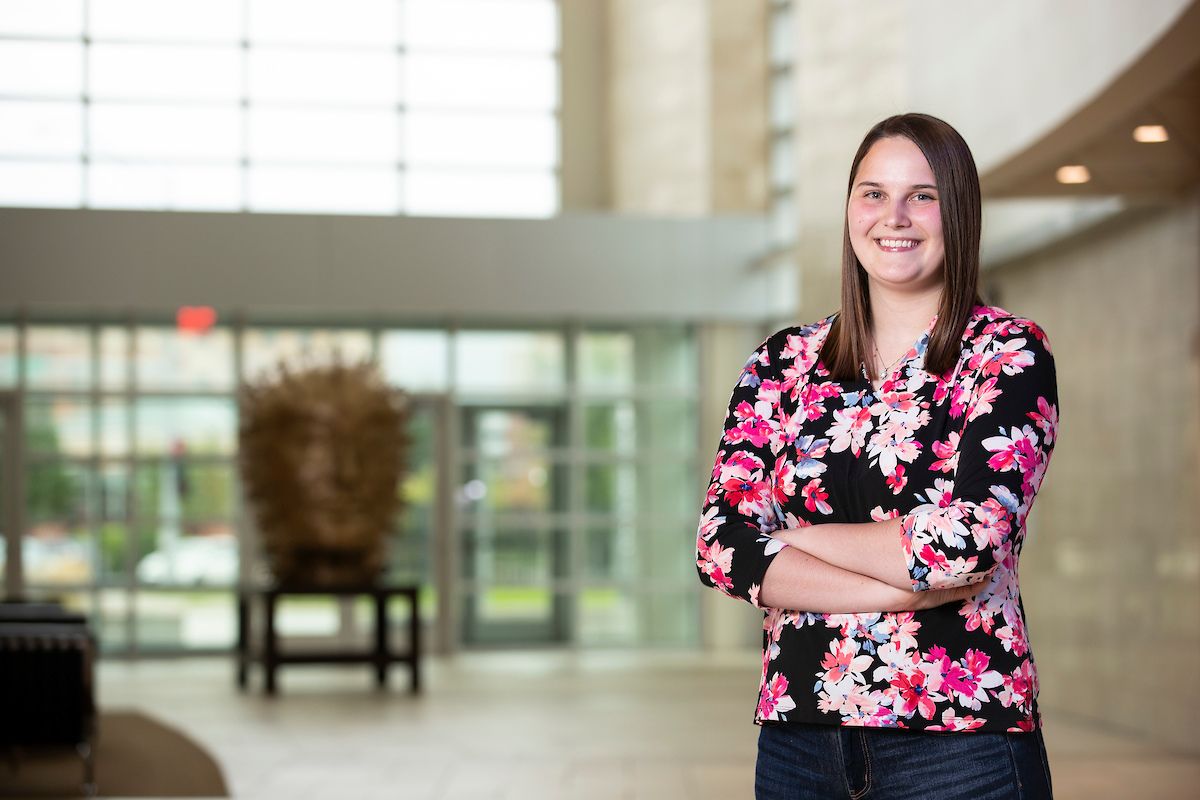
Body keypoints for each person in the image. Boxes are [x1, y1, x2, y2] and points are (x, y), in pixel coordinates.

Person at [695, 113, 1058, 799]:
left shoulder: (1006, 355)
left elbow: (968, 544)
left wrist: (795, 541)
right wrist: (900, 589)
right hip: (801, 736)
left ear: (959, 212)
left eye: (922, 195)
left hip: (961, 741)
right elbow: (721, 548)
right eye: (872, 193)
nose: (895, 216)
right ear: (849, 211)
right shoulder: (782, 365)